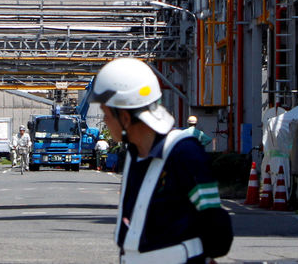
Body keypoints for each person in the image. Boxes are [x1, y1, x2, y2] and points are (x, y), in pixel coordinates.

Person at [89, 58, 232, 264]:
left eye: (106, 114)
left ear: (125, 117)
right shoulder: (133, 155)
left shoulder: (184, 152)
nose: (104, 121)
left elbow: (216, 228)